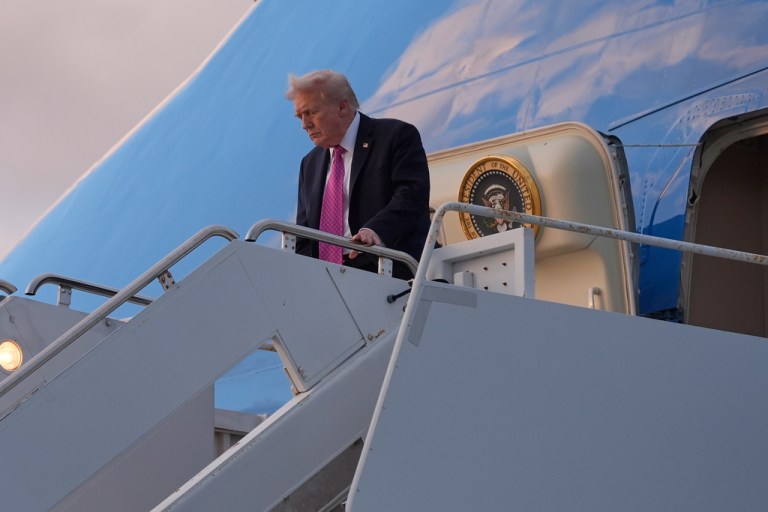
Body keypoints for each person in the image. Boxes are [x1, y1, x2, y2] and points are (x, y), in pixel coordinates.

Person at [286, 69, 431, 278]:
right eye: (300, 116)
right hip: (326, 280)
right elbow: (304, 237)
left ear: (342, 107)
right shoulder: (309, 164)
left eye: (311, 112)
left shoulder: (396, 136)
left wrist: (376, 231)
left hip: (385, 268)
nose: (304, 124)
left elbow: (411, 197)